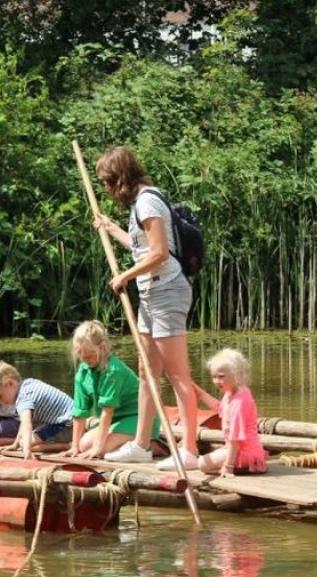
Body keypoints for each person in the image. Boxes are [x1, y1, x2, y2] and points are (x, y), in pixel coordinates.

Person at [91, 145, 201, 469]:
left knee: (177, 374)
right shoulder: (139, 204)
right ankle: (140, 444)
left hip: (167, 292)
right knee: (146, 371)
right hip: (150, 295)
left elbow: (159, 254)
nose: (108, 191)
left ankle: (190, 449)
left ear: (120, 179)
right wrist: (112, 229)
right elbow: (142, 249)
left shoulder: (149, 201)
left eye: (108, 183)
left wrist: (123, 275)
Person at [61, 320, 160, 459]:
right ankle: (122, 443)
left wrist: (98, 448)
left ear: (101, 347)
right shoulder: (82, 372)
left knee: (102, 452)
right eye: (81, 356)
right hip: (116, 421)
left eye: (89, 355)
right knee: (84, 445)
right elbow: (79, 412)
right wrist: (75, 446)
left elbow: (107, 411)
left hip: (138, 418)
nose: (85, 360)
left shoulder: (113, 371)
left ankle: (154, 446)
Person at [0, 361, 73, 459]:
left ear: (10, 383)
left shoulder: (23, 397)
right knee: (23, 442)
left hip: (66, 424)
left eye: (0, 397)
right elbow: (23, 421)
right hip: (65, 420)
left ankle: (66, 445)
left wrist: (27, 451)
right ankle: (24, 444)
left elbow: (26, 423)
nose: (0, 403)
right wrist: (15, 444)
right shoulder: (27, 384)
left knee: (26, 443)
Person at [193, 348, 267, 476]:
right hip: (238, 449)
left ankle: (243, 466)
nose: (216, 381)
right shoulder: (232, 393)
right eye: (214, 377)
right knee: (205, 461)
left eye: (221, 377)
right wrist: (199, 393)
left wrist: (228, 466)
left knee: (202, 464)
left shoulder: (239, 402)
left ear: (237, 374)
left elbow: (235, 438)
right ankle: (239, 464)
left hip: (244, 452)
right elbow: (220, 408)